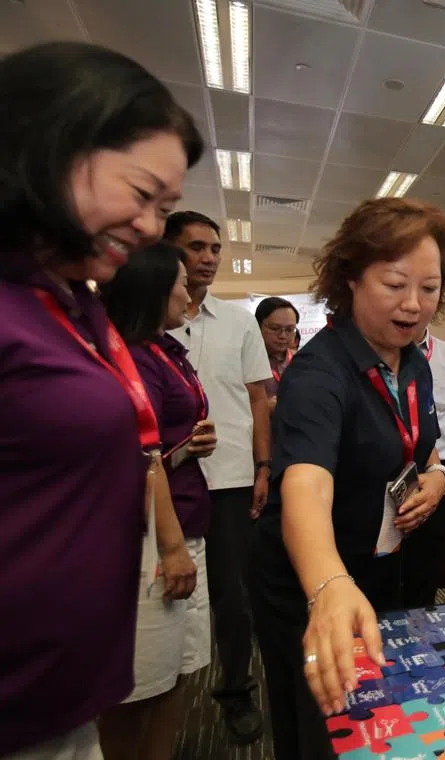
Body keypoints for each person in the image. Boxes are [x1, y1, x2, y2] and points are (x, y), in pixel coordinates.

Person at [0, 41, 201, 759]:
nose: (152, 227)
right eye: (143, 195)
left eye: (165, 207)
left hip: (60, 698)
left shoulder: (63, 303)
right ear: (51, 149)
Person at [247, 197, 445, 760]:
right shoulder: (319, 374)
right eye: (394, 284)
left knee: (377, 712)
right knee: (318, 721)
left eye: (430, 288)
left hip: (377, 555)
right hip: (307, 577)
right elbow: (306, 486)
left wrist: (437, 479)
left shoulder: (411, 360)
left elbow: (422, 449)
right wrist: (328, 587)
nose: (414, 305)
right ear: (351, 280)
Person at [98, 242, 218, 760]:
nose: (187, 290)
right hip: (151, 538)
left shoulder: (163, 348)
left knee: (177, 669)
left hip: (186, 519)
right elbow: (138, 460)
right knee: (136, 684)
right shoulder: (131, 357)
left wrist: (187, 446)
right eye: (178, 282)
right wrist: (171, 546)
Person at [164, 210, 273, 742]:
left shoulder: (238, 320)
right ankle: (161, 701)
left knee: (233, 593)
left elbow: (258, 398)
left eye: (214, 248)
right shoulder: (145, 319)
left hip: (229, 476)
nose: (207, 258)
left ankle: (235, 691)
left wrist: (263, 466)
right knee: (167, 591)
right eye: (195, 248)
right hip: (164, 479)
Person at [402, 324, 445, 607]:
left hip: (437, 470)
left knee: (428, 558)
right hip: (390, 468)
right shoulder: (378, 352)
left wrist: (443, 465)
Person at [255, 295, 299, 411]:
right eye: (275, 328)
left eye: (290, 330)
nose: (283, 336)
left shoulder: (301, 361)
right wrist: (264, 408)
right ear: (257, 326)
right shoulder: (246, 361)